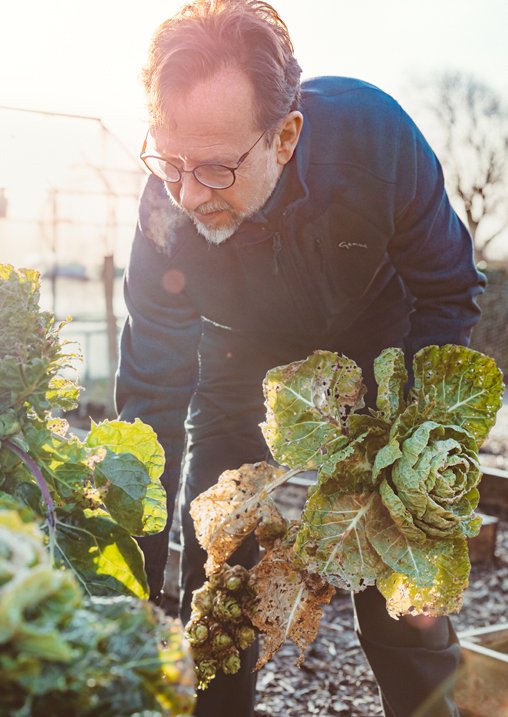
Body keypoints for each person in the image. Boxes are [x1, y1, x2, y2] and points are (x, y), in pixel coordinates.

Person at [115, 1, 485, 715]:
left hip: (378, 345)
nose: (190, 194)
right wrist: (123, 588)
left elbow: (447, 287)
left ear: (284, 137)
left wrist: (413, 446)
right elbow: (151, 399)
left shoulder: (375, 140)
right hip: (240, 358)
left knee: (401, 580)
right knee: (217, 559)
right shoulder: (163, 218)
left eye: (218, 169)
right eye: (171, 162)